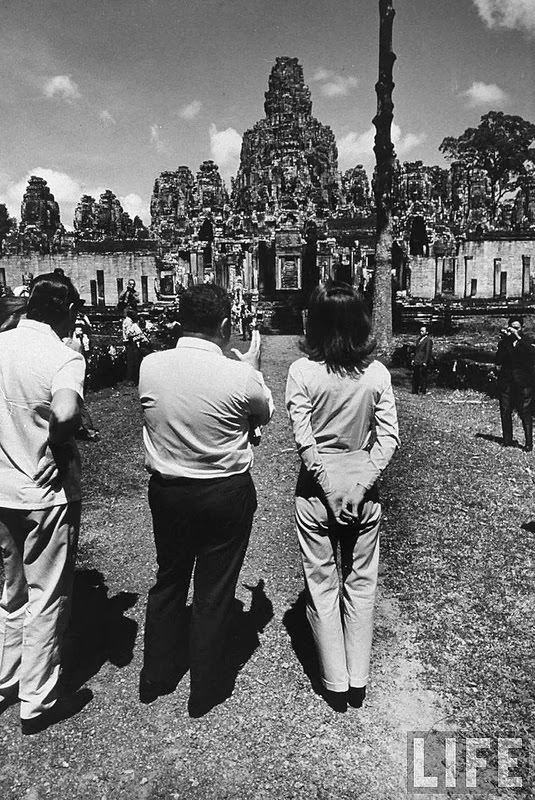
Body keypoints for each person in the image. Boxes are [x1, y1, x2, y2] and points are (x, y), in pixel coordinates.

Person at [138, 283, 273, 716]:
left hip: (169, 491)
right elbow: (263, 412)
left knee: (170, 578)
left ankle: (157, 674)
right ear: (225, 324)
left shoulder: (150, 366)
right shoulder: (239, 375)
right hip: (223, 492)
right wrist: (253, 368)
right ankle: (206, 686)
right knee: (215, 588)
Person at [285, 282, 399, 712]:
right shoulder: (376, 373)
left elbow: (305, 440)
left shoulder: (302, 372)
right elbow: (388, 439)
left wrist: (330, 489)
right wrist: (361, 485)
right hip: (362, 488)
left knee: (321, 583)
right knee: (361, 582)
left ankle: (334, 680)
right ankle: (358, 678)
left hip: (318, 491)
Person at [0, 272, 92, 734]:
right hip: (44, 490)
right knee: (46, 593)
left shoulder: (1, 344)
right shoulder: (63, 355)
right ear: (68, 310)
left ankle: (6, 678)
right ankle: (36, 699)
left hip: (2, 487)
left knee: (12, 590)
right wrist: (58, 444)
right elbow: (67, 411)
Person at [496, 315, 535, 452]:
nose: (514, 330)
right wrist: (504, 341)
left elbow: (532, 354)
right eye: (512, 327)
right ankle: (507, 440)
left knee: (525, 412)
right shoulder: (504, 342)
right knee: (505, 410)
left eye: (517, 328)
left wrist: (518, 337)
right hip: (507, 381)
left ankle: (528, 443)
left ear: (522, 328)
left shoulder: (528, 340)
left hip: (524, 382)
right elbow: (498, 360)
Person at [122, 307, 148, 383]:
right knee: (132, 361)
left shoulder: (129, 321)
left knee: (132, 360)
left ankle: (132, 378)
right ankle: (131, 379)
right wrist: (137, 336)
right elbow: (129, 333)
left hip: (130, 342)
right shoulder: (129, 322)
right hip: (130, 343)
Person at [411, 324, 433, 394]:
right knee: (416, 376)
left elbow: (428, 352)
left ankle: (423, 390)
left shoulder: (428, 340)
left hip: (423, 361)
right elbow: (416, 351)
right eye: (420, 331)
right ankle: (415, 390)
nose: (421, 332)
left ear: (427, 332)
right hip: (417, 360)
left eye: (422, 331)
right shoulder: (418, 340)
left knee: (423, 376)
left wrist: (425, 361)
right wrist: (413, 359)